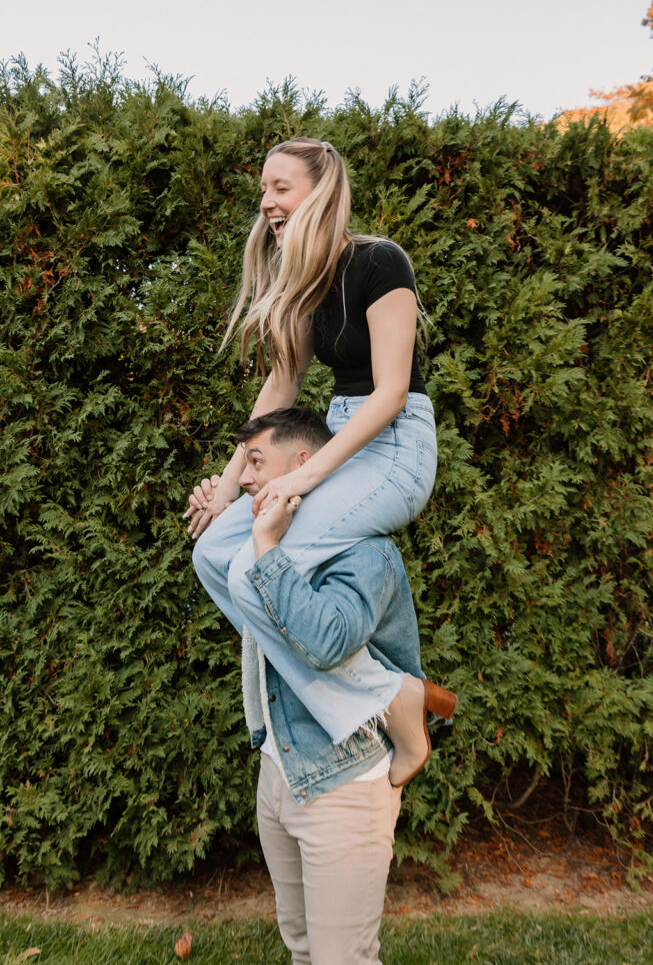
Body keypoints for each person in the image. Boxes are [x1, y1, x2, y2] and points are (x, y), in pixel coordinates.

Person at [187, 137, 454, 786]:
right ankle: (392, 697)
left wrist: (304, 475)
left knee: (258, 563)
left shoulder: (379, 262)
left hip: (392, 450)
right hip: (338, 437)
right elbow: (280, 391)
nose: (267, 202)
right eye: (263, 190)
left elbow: (390, 392)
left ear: (321, 188)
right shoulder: (304, 280)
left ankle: (387, 705)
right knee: (213, 554)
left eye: (280, 187)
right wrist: (226, 488)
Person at [208, 409, 445, 964]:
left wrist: (266, 549)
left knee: (342, 960)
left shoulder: (364, 551)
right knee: (303, 950)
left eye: (256, 461)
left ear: (303, 464)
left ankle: (396, 697)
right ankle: (397, 696)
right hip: (279, 770)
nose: (243, 476)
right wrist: (221, 515)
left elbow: (326, 641)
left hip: (344, 782)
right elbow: (216, 565)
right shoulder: (268, 541)